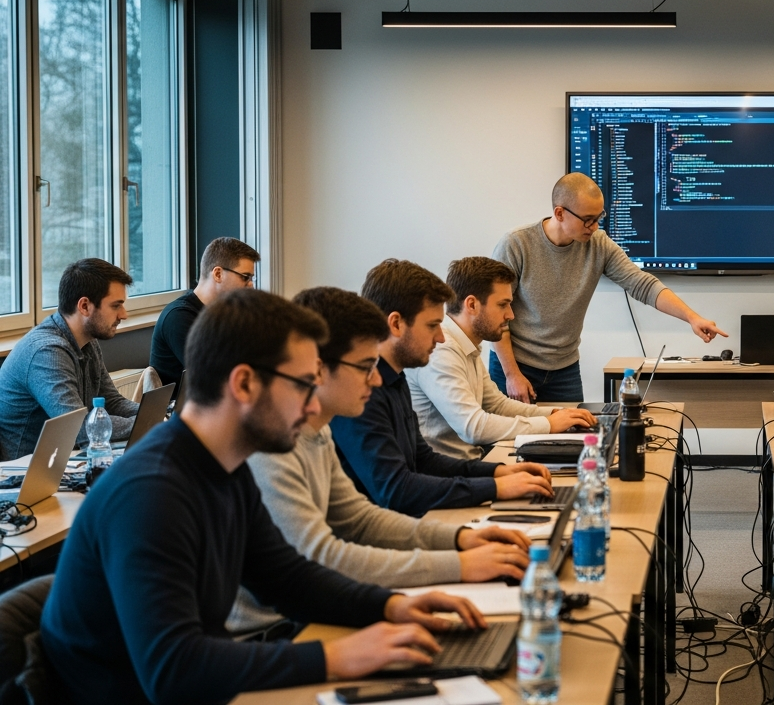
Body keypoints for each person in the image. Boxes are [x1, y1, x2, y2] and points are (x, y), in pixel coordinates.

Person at [40, 289, 485, 705]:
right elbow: (173, 670)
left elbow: (287, 578)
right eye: (302, 385)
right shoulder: (151, 493)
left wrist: (392, 605)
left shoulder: (224, 466)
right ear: (245, 384)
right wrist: (334, 657)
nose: (313, 406)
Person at [229, 286, 533, 636]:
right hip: (275, 632)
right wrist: (458, 563)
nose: (376, 379)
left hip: (315, 610)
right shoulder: (270, 446)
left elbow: (359, 521)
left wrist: (459, 539)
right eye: (365, 366)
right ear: (319, 369)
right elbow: (322, 555)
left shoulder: (318, 431)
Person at [333, 259, 555, 517]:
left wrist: (497, 472)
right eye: (432, 325)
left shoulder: (395, 378)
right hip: (391, 524)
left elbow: (424, 460)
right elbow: (396, 491)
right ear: (396, 324)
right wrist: (495, 488)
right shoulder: (361, 391)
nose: (440, 337)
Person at [489, 172, 728, 403]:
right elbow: (494, 314)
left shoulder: (599, 244)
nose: (594, 227)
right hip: (513, 365)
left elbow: (642, 284)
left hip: (564, 368)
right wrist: (512, 374)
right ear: (560, 213)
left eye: (599, 217)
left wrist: (692, 317)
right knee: (510, 432)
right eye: (587, 219)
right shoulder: (516, 244)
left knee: (573, 431)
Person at [408, 257, 596, 461]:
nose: (510, 315)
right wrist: (549, 424)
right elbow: (473, 427)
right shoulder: (442, 350)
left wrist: (556, 413)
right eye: (503, 305)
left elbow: (497, 406)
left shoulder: (465, 345)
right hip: (447, 472)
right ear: (472, 304)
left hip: (469, 463)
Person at [0, 258, 140, 460]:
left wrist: (158, 415)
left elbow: (112, 402)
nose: (124, 315)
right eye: (116, 306)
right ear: (84, 306)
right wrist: (146, 423)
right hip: (26, 471)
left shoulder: (88, 341)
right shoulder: (46, 352)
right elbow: (79, 428)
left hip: (64, 461)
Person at [149, 237, 260, 387]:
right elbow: (214, 375)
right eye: (245, 277)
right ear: (218, 274)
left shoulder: (226, 313)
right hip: (187, 402)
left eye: (252, 278)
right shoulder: (178, 317)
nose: (251, 285)